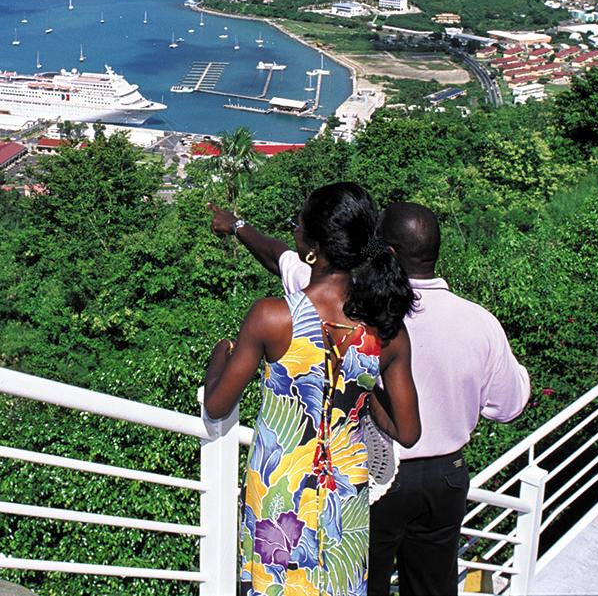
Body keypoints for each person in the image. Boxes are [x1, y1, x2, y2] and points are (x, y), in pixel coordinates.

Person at [210, 200, 531, 596]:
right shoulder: (427, 327)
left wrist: (217, 358)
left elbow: (218, 404)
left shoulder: (302, 312)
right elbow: (487, 412)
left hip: (323, 480)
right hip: (398, 481)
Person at [203, 183, 421, 596]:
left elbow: (216, 406)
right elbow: (408, 432)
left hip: (279, 491)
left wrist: (220, 357)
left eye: (298, 225)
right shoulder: (387, 332)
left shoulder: (273, 317)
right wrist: (362, 387)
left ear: (311, 247)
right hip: (346, 493)